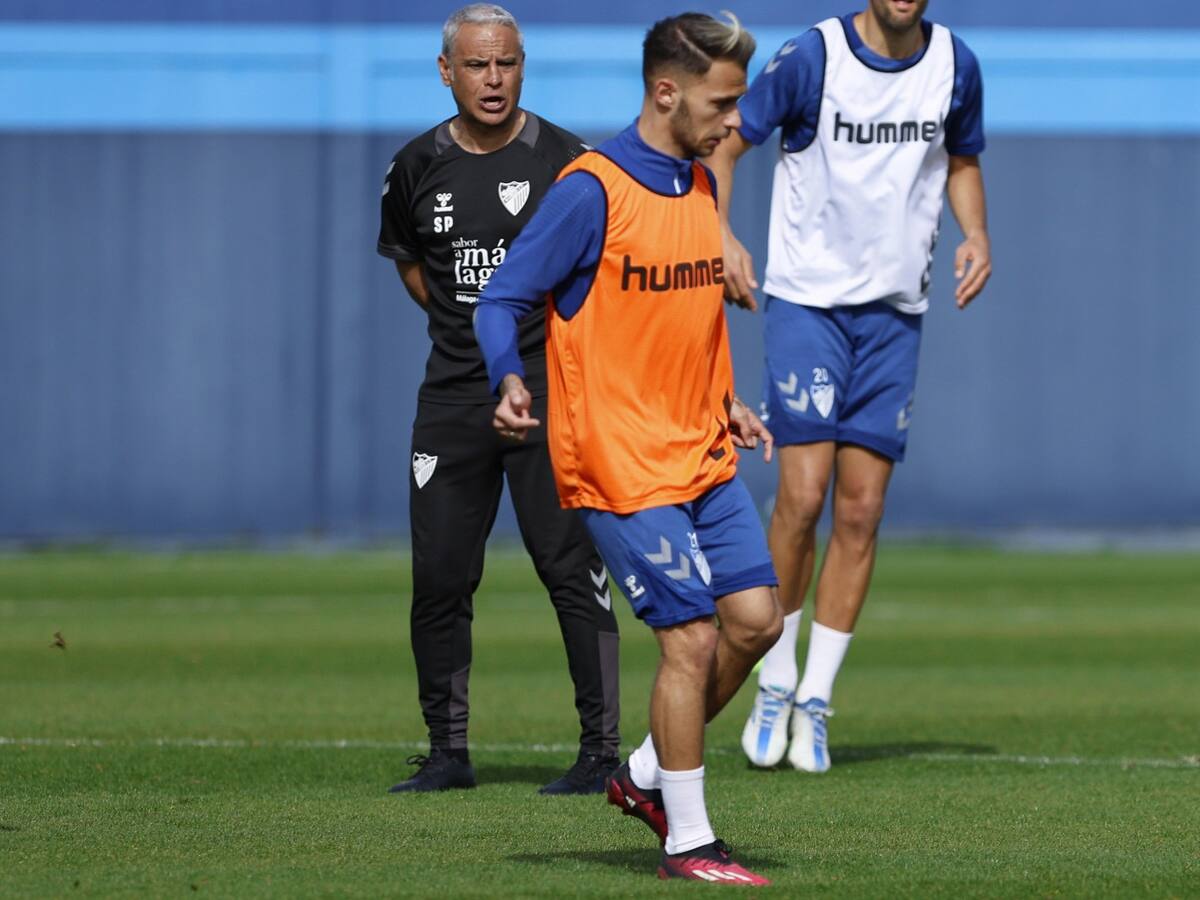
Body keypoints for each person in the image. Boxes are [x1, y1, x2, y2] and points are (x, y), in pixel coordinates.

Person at [475, 11, 781, 886]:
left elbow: (686, 318)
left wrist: (725, 400)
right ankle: (688, 838)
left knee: (756, 623)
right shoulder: (590, 190)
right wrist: (509, 378)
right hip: (617, 460)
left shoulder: (700, 188)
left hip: (701, 451)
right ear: (665, 91)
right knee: (688, 640)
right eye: (722, 105)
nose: (733, 124)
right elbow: (501, 299)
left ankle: (646, 774)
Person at [708, 0, 992, 772]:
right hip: (809, 303)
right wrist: (723, 234)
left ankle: (817, 699)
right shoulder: (814, 57)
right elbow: (729, 144)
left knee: (862, 512)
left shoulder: (954, 65)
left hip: (895, 313)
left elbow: (961, 160)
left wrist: (977, 232)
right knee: (802, 497)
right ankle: (776, 673)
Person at [376, 3, 621, 796]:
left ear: (523, 67)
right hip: (452, 402)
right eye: (477, 65)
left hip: (552, 396)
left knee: (570, 566)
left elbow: (604, 277)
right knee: (441, 577)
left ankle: (599, 754)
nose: (493, 79)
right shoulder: (414, 168)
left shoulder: (571, 163)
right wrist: (469, 335)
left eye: (506, 63)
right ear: (446, 71)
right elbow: (415, 267)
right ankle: (447, 753)